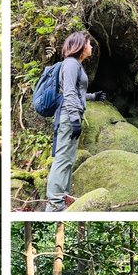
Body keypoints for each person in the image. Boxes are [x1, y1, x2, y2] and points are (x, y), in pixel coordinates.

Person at [46, 32, 106, 212]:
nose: (91, 47)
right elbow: (69, 93)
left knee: (69, 159)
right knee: (62, 159)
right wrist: (73, 118)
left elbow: (76, 93)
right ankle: (54, 204)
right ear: (80, 45)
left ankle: (61, 199)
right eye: (89, 44)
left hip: (72, 114)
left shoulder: (76, 65)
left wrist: (92, 96)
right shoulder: (71, 64)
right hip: (67, 116)